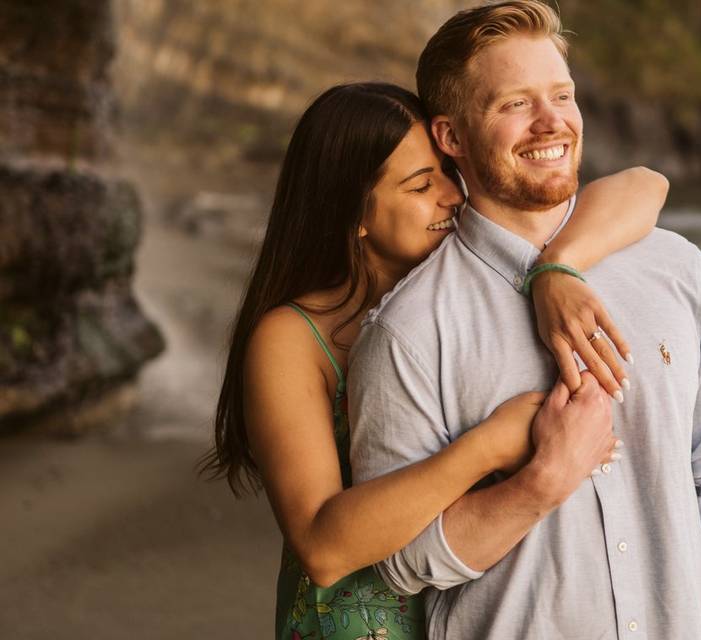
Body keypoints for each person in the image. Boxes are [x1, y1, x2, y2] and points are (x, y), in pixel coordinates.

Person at [348, 2, 701, 640]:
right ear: (451, 137)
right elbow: (401, 562)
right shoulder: (409, 329)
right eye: (514, 104)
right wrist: (539, 485)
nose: (552, 122)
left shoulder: (676, 268)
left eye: (562, 95)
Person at [200, 80, 669, 640]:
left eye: (448, 172)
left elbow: (647, 184)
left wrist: (557, 266)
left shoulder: (450, 289)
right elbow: (323, 548)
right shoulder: (292, 337)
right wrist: (490, 445)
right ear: (354, 216)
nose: (451, 196)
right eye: (421, 185)